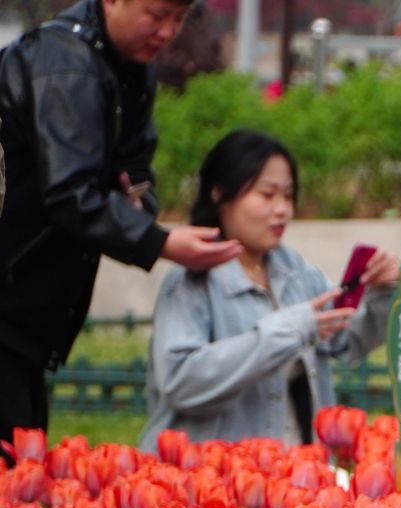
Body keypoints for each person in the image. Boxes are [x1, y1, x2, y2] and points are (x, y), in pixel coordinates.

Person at [0, 0, 241, 459]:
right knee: (17, 475)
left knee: (22, 468)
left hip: (26, 305)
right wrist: (161, 242)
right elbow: (71, 193)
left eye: (179, 18)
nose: (168, 32)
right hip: (10, 293)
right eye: (156, 15)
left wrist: (139, 202)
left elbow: (136, 168)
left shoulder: (130, 66)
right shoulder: (65, 61)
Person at [141, 130, 399, 449]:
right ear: (220, 193)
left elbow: (347, 341)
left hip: (292, 476)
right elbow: (179, 382)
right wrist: (289, 331)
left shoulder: (295, 271)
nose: (282, 210)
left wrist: (382, 292)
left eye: (288, 196)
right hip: (208, 484)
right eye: (267, 195)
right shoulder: (190, 278)